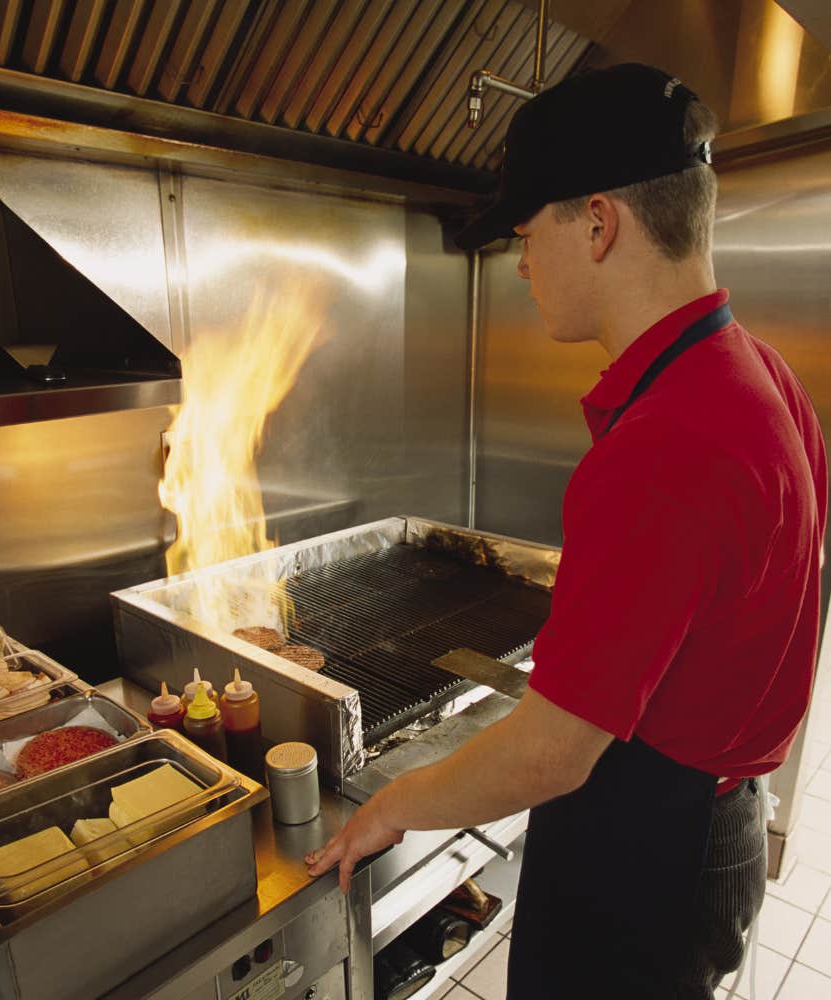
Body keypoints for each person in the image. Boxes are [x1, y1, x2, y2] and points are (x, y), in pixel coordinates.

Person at [306, 63, 827, 999]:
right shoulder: (762, 376)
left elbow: (552, 752)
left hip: (648, 863)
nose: (521, 262)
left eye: (525, 231)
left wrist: (394, 806)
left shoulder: (667, 443)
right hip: (717, 826)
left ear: (598, 223)